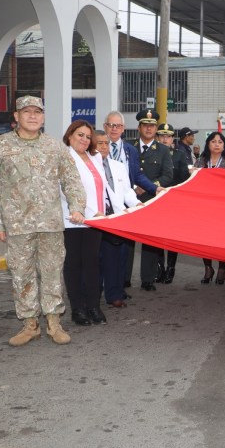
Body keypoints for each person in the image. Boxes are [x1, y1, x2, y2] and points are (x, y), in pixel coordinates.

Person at [0, 96, 85, 346]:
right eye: (27, 112)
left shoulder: (54, 146)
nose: (33, 116)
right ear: (16, 116)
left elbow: (71, 179)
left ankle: (54, 323)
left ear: (43, 116)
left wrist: (77, 206)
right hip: (17, 225)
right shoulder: (0, 146)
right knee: (21, 274)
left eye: (38, 111)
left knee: (52, 272)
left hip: (50, 224)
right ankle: (30, 324)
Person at [61, 120, 108, 326]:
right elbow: (64, 190)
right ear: (70, 135)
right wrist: (89, 212)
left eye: (88, 137)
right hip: (73, 219)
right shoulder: (64, 157)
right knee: (74, 265)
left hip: (96, 221)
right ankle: (77, 309)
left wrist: (112, 210)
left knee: (92, 264)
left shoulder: (94, 157)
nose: (84, 139)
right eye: (80, 135)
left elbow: (102, 188)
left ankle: (93, 306)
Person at [102, 111, 154, 290]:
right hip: (102, 207)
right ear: (105, 127)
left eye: (118, 126)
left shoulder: (130, 150)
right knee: (103, 249)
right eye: (111, 125)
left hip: (126, 203)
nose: (114, 129)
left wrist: (155, 188)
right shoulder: (96, 148)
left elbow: (136, 175)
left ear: (123, 129)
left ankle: (120, 285)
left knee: (124, 247)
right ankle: (104, 285)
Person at [94, 130, 140, 309]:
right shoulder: (86, 166)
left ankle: (114, 295)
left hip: (117, 220)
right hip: (95, 219)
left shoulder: (119, 166)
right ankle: (94, 294)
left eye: (106, 143)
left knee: (116, 259)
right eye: (99, 143)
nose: (104, 147)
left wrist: (136, 204)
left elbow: (127, 191)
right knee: (96, 261)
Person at [133, 109, 173, 291]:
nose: (148, 129)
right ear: (139, 127)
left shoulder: (163, 150)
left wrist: (148, 186)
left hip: (152, 199)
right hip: (130, 198)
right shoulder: (130, 147)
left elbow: (167, 175)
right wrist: (133, 187)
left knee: (149, 241)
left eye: (152, 126)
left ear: (156, 128)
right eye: (145, 125)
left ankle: (147, 279)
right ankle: (124, 279)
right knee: (126, 241)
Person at [195, 131, 225, 284]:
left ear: (224, 146)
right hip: (203, 207)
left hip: (222, 208)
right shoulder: (200, 162)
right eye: (213, 141)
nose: (217, 144)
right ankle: (208, 268)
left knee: (221, 239)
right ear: (208, 144)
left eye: (220, 142)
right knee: (204, 239)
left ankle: (222, 268)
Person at [156, 123, 190, 283]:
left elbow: (184, 178)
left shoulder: (179, 155)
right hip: (156, 199)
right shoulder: (152, 154)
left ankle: (171, 267)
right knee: (156, 236)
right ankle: (158, 268)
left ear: (172, 139)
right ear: (157, 138)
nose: (165, 139)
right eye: (162, 136)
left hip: (173, 201)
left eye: (168, 136)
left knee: (171, 237)